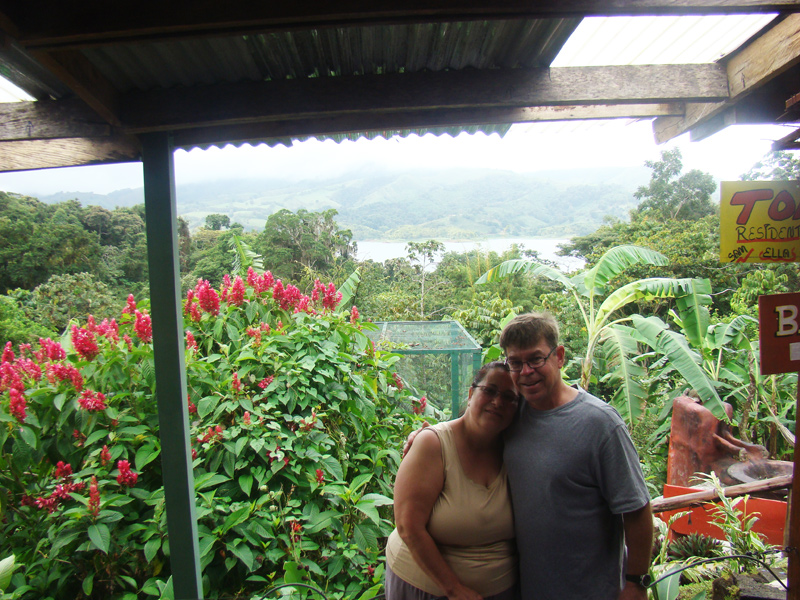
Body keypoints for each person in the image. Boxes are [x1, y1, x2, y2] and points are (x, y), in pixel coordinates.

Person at [403, 313, 653, 600]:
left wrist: (636, 583)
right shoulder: (512, 413)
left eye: (536, 359)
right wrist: (425, 437)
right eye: (515, 363)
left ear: (559, 356)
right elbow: (468, 430)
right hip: (531, 587)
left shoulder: (600, 424)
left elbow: (636, 509)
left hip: (591, 588)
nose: (526, 372)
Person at [385, 362, 520, 600]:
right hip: (426, 589)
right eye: (489, 391)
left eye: (509, 397)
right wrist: (454, 589)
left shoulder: (518, 451)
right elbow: (408, 525)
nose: (498, 402)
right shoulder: (433, 444)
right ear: (470, 394)